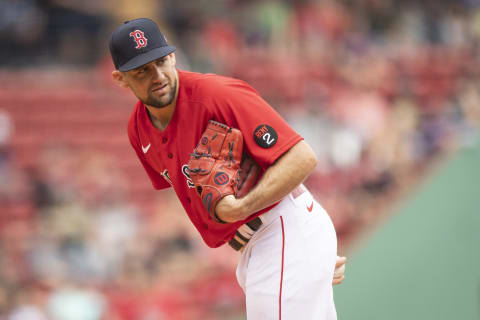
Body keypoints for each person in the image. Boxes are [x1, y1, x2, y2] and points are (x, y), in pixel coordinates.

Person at [109, 18, 346, 319]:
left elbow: (302, 157)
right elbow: (184, 196)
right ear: (120, 79)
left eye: (160, 61)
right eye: (142, 71)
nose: (157, 75)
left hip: (282, 227)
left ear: (173, 56)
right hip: (260, 246)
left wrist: (300, 245)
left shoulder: (217, 95)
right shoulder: (138, 129)